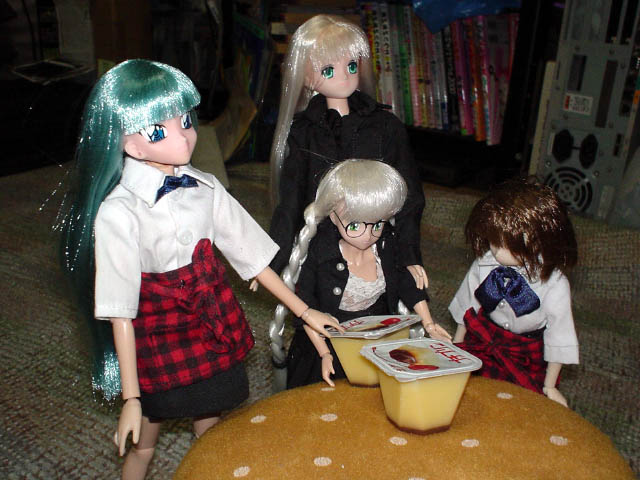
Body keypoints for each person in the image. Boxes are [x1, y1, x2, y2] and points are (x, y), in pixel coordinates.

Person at [58, 59, 340, 480]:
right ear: (130, 145)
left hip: (211, 326)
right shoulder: (119, 213)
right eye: (159, 130)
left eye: (186, 120)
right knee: (144, 444)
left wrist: (304, 312)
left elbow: (254, 260)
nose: (184, 135)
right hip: (158, 335)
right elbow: (121, 312)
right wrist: (131, 397)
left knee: (212, 429)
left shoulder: (205, 188)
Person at [267, 14, 428, 291]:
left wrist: (409, 255)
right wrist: (273, 262)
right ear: (306, 77)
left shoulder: (385, 127)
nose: (344, 76)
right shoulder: (304, 133)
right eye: (328, 70)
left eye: (351, 66)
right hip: (322, 252)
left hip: (377, 242)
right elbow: (291, 203)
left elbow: (409, 196)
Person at [274, 159, 451, 388]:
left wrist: (428, 322)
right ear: (333, 216)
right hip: (329, 341)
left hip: (376, 336)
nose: (368, 236)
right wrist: (325, 354)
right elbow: (307, 307)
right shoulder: (320, 252)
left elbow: (405, 282)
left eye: (377, 225)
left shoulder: (386, 244)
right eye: (355, 226)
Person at [449, 178, 579, 406]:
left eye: (508, 245)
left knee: (519, 405)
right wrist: (455, 347)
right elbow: (468, 306)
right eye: (494, 241)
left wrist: (549, 386)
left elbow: (559, 335)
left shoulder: (554, 284)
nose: (497, 252)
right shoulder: (485, 263)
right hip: (484, 339)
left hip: (525, 353)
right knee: (470, 397)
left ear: (538, 242)